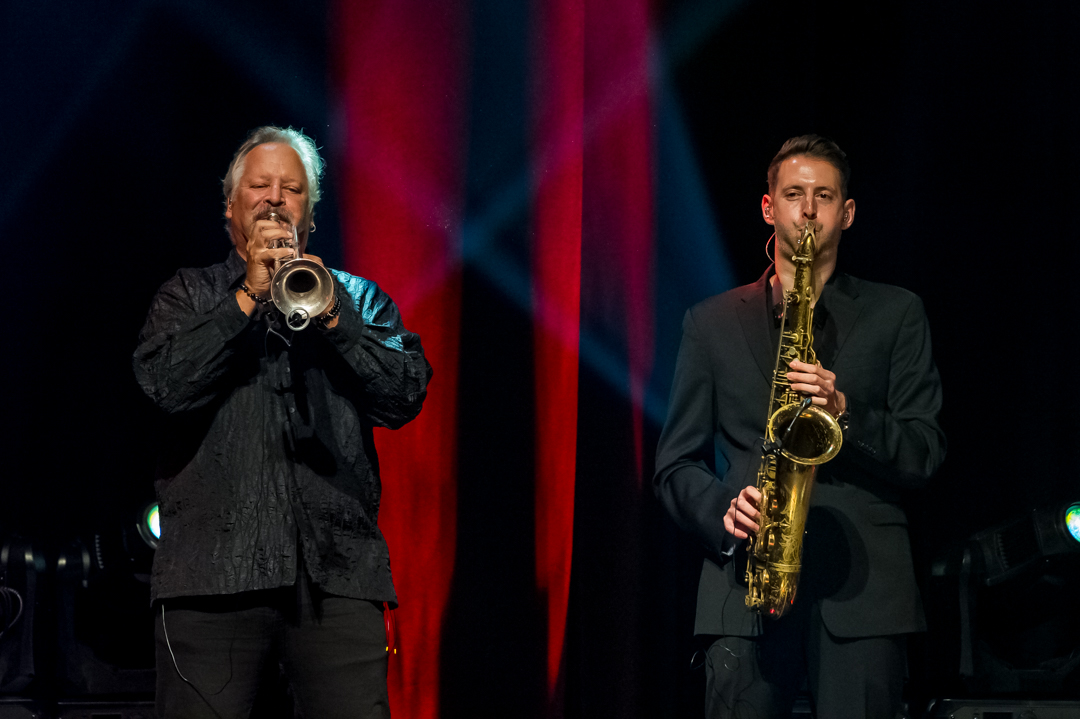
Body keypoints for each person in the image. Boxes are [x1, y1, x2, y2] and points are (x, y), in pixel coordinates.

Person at [133, 126, 431, 719]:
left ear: (310, 215)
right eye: (260, 186)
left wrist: (333, 317)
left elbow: (404, 394)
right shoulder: (188, 294)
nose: (274, 198)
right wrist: (247, 296)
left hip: (337, 578)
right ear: (230, 207)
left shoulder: (357, 299)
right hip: (211, 577)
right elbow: (164, 387)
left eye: (291, 189)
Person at [654, 135, 945, 718]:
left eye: (824, 196)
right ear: (769, 207)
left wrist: (844, 411)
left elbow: (925, 451)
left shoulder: (897, 312)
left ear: (848, 212)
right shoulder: (710, 323)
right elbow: (675, 466)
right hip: (744, 587)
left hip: (864, 597)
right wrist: (724, 510)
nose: (808, 210)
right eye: (793, 194)